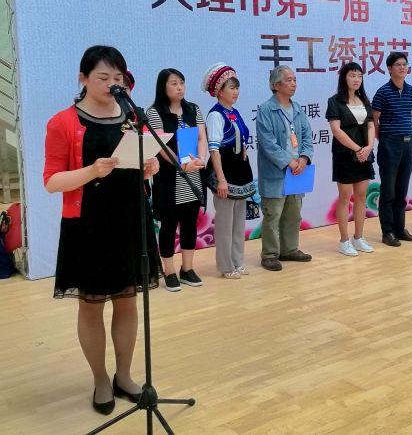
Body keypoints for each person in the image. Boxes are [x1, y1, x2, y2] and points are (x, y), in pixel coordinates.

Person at [44, 46, 160, 415]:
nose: (112, 84)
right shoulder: (63, 122)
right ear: (83, 79)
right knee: (91, 305)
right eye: (103, 77)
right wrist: (92, 171)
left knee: (128, 301)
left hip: (131, 220)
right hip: (88, 225)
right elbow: (52, 181)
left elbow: (143, 158)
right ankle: (100, 380)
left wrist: (150, 167)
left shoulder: (133, 116)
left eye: (118, 78)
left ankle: (124, 375)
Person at [147, 69, 207, 292]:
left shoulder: (193, 109)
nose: (180, 87)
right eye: (174, 83)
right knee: (169, 226)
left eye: (182, 82)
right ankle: (169, 270)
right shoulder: (155, 112)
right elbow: (161, 146)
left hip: (194, 176)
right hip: (170, 179)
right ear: (163, 87)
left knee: (190, 224)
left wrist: (201, 159)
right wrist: (181, 165)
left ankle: (187, 269)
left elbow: (201, 137)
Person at [256, 66, 314, 271]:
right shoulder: (266, 109)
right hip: (277, 171)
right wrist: (289, 161)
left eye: (295, 80)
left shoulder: (297, 108)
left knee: (294, 213)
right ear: (276, 85)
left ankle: (289, 249)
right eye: (289, 80)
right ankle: (270, 254)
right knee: (273, 214)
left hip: (297, 171)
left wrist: (304, 158)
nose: (293, 84)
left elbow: (307, 136)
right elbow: (268, 143)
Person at [202, 63, 254, 279]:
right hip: (225, 170)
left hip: (239, 170)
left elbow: (241, 137)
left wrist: (243, 151)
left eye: (237, 87)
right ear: (219, 91)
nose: (236, 92)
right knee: (225, 222)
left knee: (239, 220)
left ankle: (238, 261)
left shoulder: (234, 112)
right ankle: (226, 266)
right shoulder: (215, 115)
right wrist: (221, 179)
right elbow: (214, 149)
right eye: (231, 88)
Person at [326, 62, 375, 257]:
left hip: (364, 154)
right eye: (352, 75)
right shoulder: (335, 101)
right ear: (344, 78)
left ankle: (358, 237)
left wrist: (368, 148)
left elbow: (371, 125)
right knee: (345, 197)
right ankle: (344, 241)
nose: (356, 79)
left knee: (361, 196)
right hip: (345, 155)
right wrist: (357, 149)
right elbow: (336, 130)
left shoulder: (364, 99)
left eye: (359, 76)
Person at [372, 52, 412, 247]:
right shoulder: (382, 92)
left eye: (404, 64)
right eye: (398, 65)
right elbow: (374, 120)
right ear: (389, 69)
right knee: (388, 190)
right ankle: (388, 231)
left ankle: (400, 228)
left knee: (402, 189)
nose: (402, 67)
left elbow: (409, 114)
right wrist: (384, 139)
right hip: (389, 144)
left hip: (408, 144)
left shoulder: (411, 90)